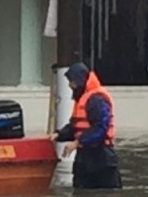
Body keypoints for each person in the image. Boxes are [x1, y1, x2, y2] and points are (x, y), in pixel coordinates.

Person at [49, 62, 123, 190]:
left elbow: (100, 129)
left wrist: (77, 143)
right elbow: (75, 127)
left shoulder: (96, 99)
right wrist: (58, 135)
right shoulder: (82, 99)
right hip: (85, 160)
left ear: (79, 81)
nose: (70, 85)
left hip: (102, 160)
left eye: (71, 82)